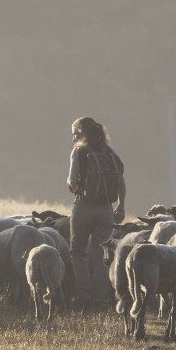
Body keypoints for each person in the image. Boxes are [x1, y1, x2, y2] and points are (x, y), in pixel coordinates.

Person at [66, 117, 125, 283]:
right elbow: (121, 181)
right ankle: (99, 296)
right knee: (101, 253)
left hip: (83, 206)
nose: (73, 138)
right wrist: (121, 206)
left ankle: (84, 296)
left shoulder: (78, 151)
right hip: (106, 209)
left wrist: (74, 186)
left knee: (78, 252)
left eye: (74, 134)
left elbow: (72, 182)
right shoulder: (110, 153)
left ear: (81, 132)